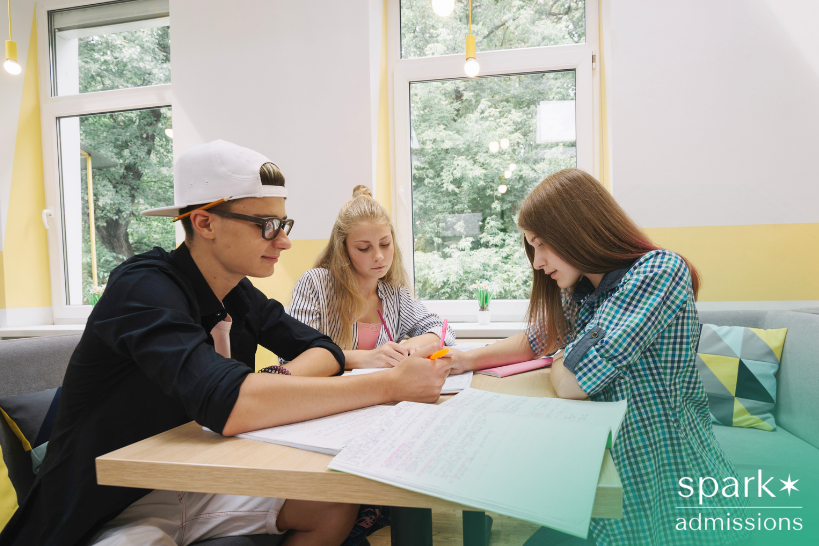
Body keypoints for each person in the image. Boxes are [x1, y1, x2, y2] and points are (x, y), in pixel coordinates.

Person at [0, 140, 452, 546]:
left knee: (333, 504)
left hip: (194, 478)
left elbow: (325, 351)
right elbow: (230, 405)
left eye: (284, 222)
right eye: (268, 224)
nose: (286, 240)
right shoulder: (142, 289)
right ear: (204, 222)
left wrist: (272, 383)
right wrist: (390, 385)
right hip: (112, 500)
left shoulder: (238, 292)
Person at [444, 169, 748, 545]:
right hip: (609, 469)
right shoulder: (584, 290)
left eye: (542, 245)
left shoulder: (659, 271)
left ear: (578, 229)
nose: (537, 262)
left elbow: (572, 381)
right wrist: (464, 359)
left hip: (666, 483)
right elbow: (539, 338)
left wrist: (562, 356)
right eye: (532, 248)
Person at [288, 185, 455, 370]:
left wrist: (407, 348)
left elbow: (443, 330)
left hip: (383, 396)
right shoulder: (315, 284)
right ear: (343, 249)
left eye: (385, 244)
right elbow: (294, 356)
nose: (379, 256)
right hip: (327, 397)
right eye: (364, 248)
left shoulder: (395, 294)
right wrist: (363, 358)